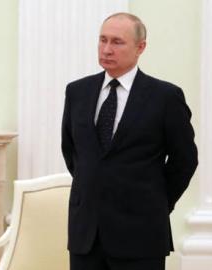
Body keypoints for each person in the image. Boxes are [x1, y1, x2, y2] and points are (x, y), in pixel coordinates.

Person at [61, 12, 198, 270]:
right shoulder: (77, 92)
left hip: (141, 233)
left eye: (117, 42)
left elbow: (185, 160)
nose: (107, 49)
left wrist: (156, 201)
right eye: (102, 40)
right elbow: (73, 153)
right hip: (86, 235)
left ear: (140, 47)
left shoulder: (165, 96)